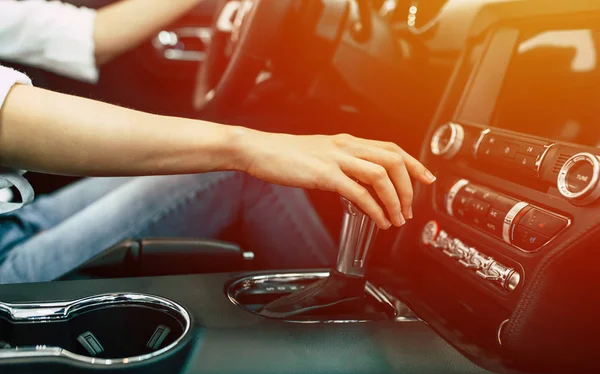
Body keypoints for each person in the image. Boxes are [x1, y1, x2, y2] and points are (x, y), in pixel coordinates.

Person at [0, 0, 436, 284]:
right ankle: (351, 339)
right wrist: (248, 147)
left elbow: (90, 38)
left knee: (238, 157)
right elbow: (9, 121)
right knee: (245, 174)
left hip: (15, 220)